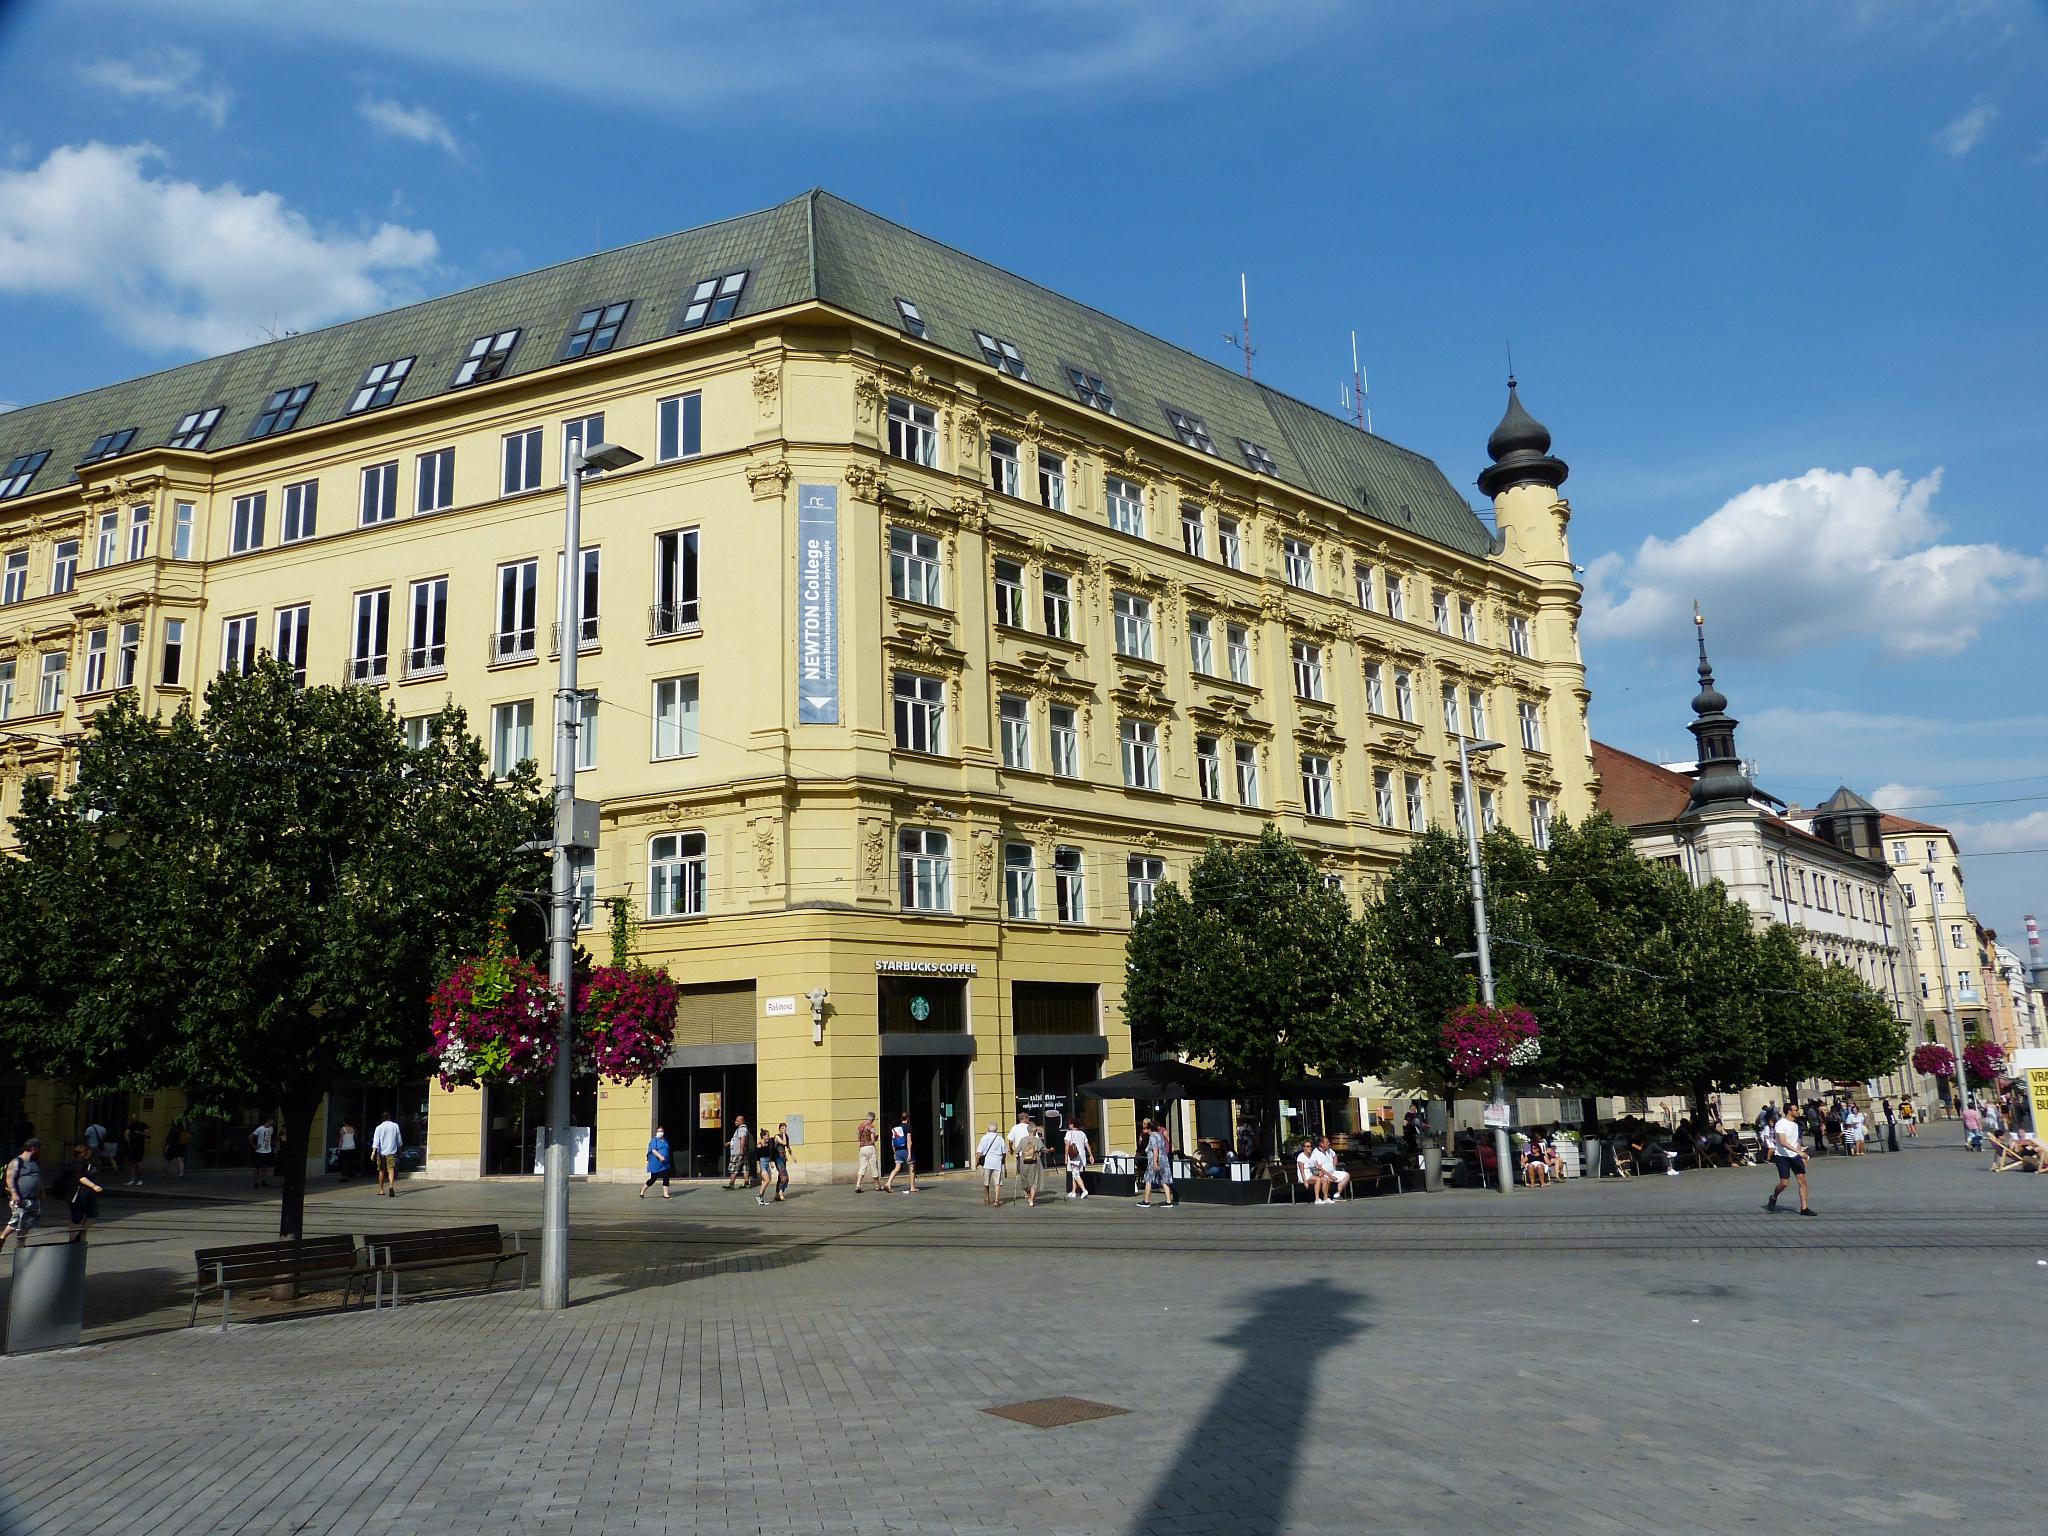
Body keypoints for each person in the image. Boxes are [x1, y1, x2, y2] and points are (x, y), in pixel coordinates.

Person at [1764, 1105, 1814, 1216]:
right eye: (1796, 1110)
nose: (1798, 1112)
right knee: (1784, 1183)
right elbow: (1782, 1141)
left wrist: (1800, 1152)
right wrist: (1799, 1151)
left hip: (1794, 1155)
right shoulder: (1781, 1124)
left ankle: (1804, 1208)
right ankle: (1774, 1197)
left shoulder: (1796, 1125)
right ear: (1789, 1112)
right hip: (1781, 1156)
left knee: (1802, 1180)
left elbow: (1797, 1141)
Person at [1, 1138, 42, 1257]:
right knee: (16, 1220)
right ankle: (2, 1237)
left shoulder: (34, 1162)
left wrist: (42, 1191)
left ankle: (21, 1243)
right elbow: (10, 1178)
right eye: (38, 1148)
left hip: (33, 1198)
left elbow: (38, 1177)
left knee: (28, 1222)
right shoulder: (17, 1161)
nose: (39, 1151)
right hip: (21, 1198)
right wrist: (14, 1194)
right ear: (33, 1148)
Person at [67, 1146, 104, 1243]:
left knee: (93, 1213)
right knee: (77, 1217)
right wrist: (94, 1186)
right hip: (79, 1193)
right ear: (85, 1153)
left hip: (88, 1193)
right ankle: (73, 1240)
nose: (90, 1153)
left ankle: (81, 1234)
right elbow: (80, 1177)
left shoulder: (87, 1163)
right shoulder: (78, 1162)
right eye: (88, 1151)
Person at [1136, 1118, 1176, 1209]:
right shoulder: (1160, 1135)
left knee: (1148, 1179)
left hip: (1155, 1160)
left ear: (1150, 1128)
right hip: (1164, 1159)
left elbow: (1155, 1149)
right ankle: (1169, 1201)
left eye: (1147, 1128)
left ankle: (1146, 1201)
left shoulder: (1153, 1136)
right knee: (1164, 1179)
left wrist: (1155, 1162)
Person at [370, 1110, 403, 1197]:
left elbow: (376, 1141)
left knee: (381, 1170)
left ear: (382, 1119)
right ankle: (391, 1186)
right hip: (391, 1152)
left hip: (381, 1153)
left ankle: (381, 1190)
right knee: (391, 1170)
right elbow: (399, 1140)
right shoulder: (395, 1126)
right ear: (389, 1118)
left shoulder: (379, 1128)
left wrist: (373, 1153)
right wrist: (399, 1150)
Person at [1015, 1117, 1047, 1207]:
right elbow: (1044, 1150)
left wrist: (1017, 1154)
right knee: (1034, 1181)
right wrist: (1050, 1150)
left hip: (1023, 1161)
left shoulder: (1023, 1140)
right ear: (1034, 1131)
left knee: (1025, 1181)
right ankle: (1031, 1200)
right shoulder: (1038, 1140)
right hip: (1034, 1161)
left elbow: (1017, 1151)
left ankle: (1029, 1196)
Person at [884, 1111, 916, 1194]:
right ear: (908, 1118)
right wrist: (909, 1153)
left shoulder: (895, 1128)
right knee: (912, 1168)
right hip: (905, 1150)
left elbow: (892, 1142)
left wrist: (894, 1152)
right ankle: (912, 1187)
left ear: (901, 1118)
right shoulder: (908, 1127)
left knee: (897, 1168)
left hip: (898, 1150)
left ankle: (888, 1183)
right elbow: (909, 1141)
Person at [976, 1123, 1007, 1207]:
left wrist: (977, 1161)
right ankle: (996, 1200)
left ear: (988, 1129)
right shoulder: (1000, 1139)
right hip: (997, 1162)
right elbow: (1004, 1152)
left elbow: (979, 1151)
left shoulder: (984, 1137)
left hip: (987, 1163)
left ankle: (987, 1198)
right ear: (996, 1129)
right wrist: (1003, 1160)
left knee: (986, 1182)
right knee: (997, 1182)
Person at [1312, 1136, 1350, 1201]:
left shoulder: (1329, 1150)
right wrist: (1330, 1176)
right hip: (1323, 1174)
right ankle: (1326, 1197)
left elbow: (1335, 1156)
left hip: (1332, 1172)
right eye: (1327, 1142)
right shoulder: (1316, 1153)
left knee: (1346, 1175)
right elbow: (1319, 1168)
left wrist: (1334, 1167)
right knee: (1326, 1179)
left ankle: (1337, 1195)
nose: (1329, 1143)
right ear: (1321, 1144)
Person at [641, 1125, 674, 1198]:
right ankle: (643, 1190)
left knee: (666, 1177)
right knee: (653, 1178)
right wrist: (660, 1156)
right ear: (656, 1132)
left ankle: (665, 1193)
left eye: (662, 1131)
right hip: (656, 1163)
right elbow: (653, 1150)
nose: (660, 1132)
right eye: (659, 1131)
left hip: (664, 1163)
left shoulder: (665, 1140)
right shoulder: (654, 1140)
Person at [853, 1111, 882, 1193]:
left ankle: (858, 1185)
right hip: (870, 1147)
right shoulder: (871, 1126)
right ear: (872, 1119)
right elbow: (872, 1139)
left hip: (862, 1148)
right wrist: (875, 1138)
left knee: (862, 1166)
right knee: (874, 1166)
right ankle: (877, 1185)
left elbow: (858, 1138)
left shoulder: (860, 1126)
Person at [1064, 1120, 1092, 1199]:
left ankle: (1084, 1190)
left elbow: (1067, 1145)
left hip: (1074, 1156)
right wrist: (1091, 1155)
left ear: (1072, 1125)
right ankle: (1073, 1192)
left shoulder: (1069, 1133)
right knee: (1075, 1173)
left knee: (1076, 1174)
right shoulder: (1082, 1133)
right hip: (1082, 1156)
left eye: (1070, 1124)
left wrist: (1066, 1156)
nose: (1069, 1125)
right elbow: (1087, 1145)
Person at [248, 1116, 278, 1189]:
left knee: (265, 1167)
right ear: (269, 1121)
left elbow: (272, 1137)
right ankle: (256, 1182)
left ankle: (263, 1181)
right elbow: (250, 1137)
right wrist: (254, 1146)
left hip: (267, 1150)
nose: (273, 1123)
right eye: (272, 1121)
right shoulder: (260, 1129)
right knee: (258, 1168)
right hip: (260, 1151)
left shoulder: (271, 1129)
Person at [726, 1116, 752, 1189]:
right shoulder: (742, 1129)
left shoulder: (742, 1129)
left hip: (737, 1152)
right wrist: (729, 1143)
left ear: (741, 1121)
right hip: (742, 1152)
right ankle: (747, 1183)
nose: (735, 1122)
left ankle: (731, 1184)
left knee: (734, 1168)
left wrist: (741, 1150)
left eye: (737, 1120)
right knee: (745, 1168)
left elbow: (742, 1139)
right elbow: (736, 1140)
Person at [122, 1119, 148, 1186]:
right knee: (132, 1163)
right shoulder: (130, 1126)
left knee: (139, 1163)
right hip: (132, 1147)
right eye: (132, 1118)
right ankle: (133, 1179)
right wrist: (129, 1142)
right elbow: (125, 1134)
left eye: (134, 1118)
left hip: (140, 1147)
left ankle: (140, 1179)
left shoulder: (143, 1125)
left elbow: (147, 1135)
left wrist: (140, 1133)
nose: (133, 1119)